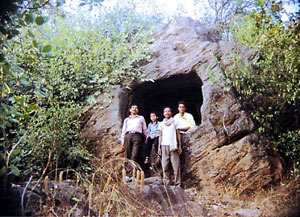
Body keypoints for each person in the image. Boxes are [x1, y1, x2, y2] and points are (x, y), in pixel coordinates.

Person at [121, 105, 147, 180]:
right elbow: (123, 130)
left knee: (134, 155)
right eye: (133, 108)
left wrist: (146, 137)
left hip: (137, 136)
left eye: (136, 108)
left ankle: (133, 175)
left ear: (137, 110)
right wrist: (122, 141)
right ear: (130, 110)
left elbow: (144, 128)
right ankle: (127, 175)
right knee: (128, 155)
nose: (134, 109)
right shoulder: (127, 119)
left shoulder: (141, 118)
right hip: (128, 135)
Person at [158, 107, 182, 186]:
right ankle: (167, 183)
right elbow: (160, 136)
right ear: (163, 113)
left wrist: (180, 145)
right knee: (165, 166)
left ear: (171, 113)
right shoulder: (161, 124)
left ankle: (178, 184)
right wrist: (159, 147)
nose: (167, 112)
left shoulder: (175, 122)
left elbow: (178, 134)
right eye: (165, 111)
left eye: (169, 111)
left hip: (173, 145)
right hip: (164, 145)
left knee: (176, 166)